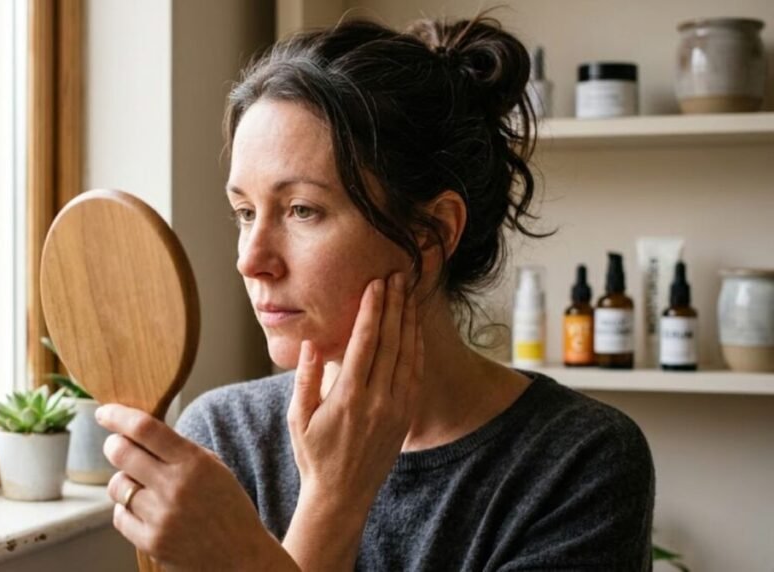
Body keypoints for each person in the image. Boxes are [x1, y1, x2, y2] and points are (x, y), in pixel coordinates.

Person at [93, 14, 655, 571]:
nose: (251, 260)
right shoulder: (223, 440)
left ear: (431, 232)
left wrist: (323, 505)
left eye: (301, 210)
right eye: (244, 212)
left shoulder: (578, 463)